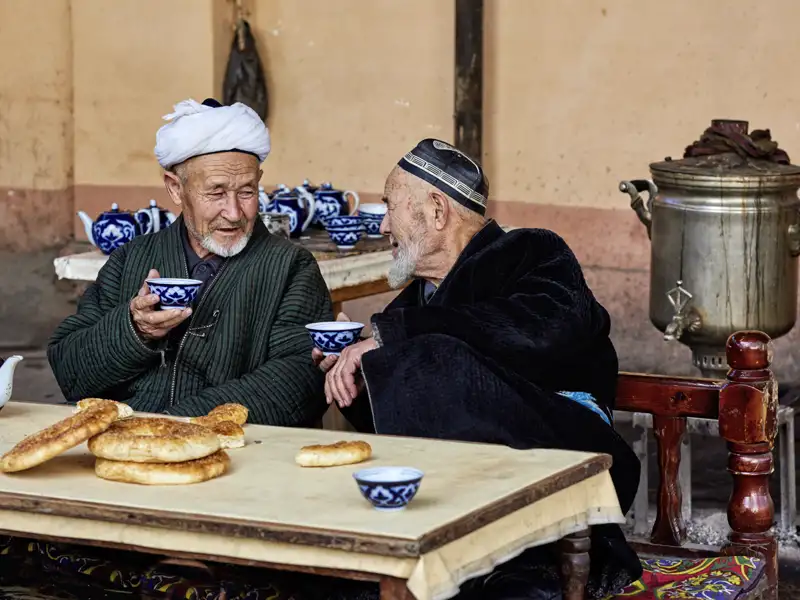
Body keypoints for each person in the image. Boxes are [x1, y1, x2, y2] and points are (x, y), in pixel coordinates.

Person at [315, 139, 642, 599]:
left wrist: (392, 340)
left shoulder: (533, 250)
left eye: (391, 205)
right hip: (464, 489)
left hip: (570, 454)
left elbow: (544, 330)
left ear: (436, 210)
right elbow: (410, 421)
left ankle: (531, 565)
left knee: (433, 358)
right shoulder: (414, 302)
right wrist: (350, 368)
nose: (384, 224)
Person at [48, 98, 332, 426]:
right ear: (175, 189)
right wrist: (134, 329)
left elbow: (298, 379)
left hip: (233, 452)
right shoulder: (132, 258)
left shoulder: (290, 266)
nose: (234, 213)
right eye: (215, 193)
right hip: (123, 446)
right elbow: (69, 369)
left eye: (247, 192)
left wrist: (173, 424)